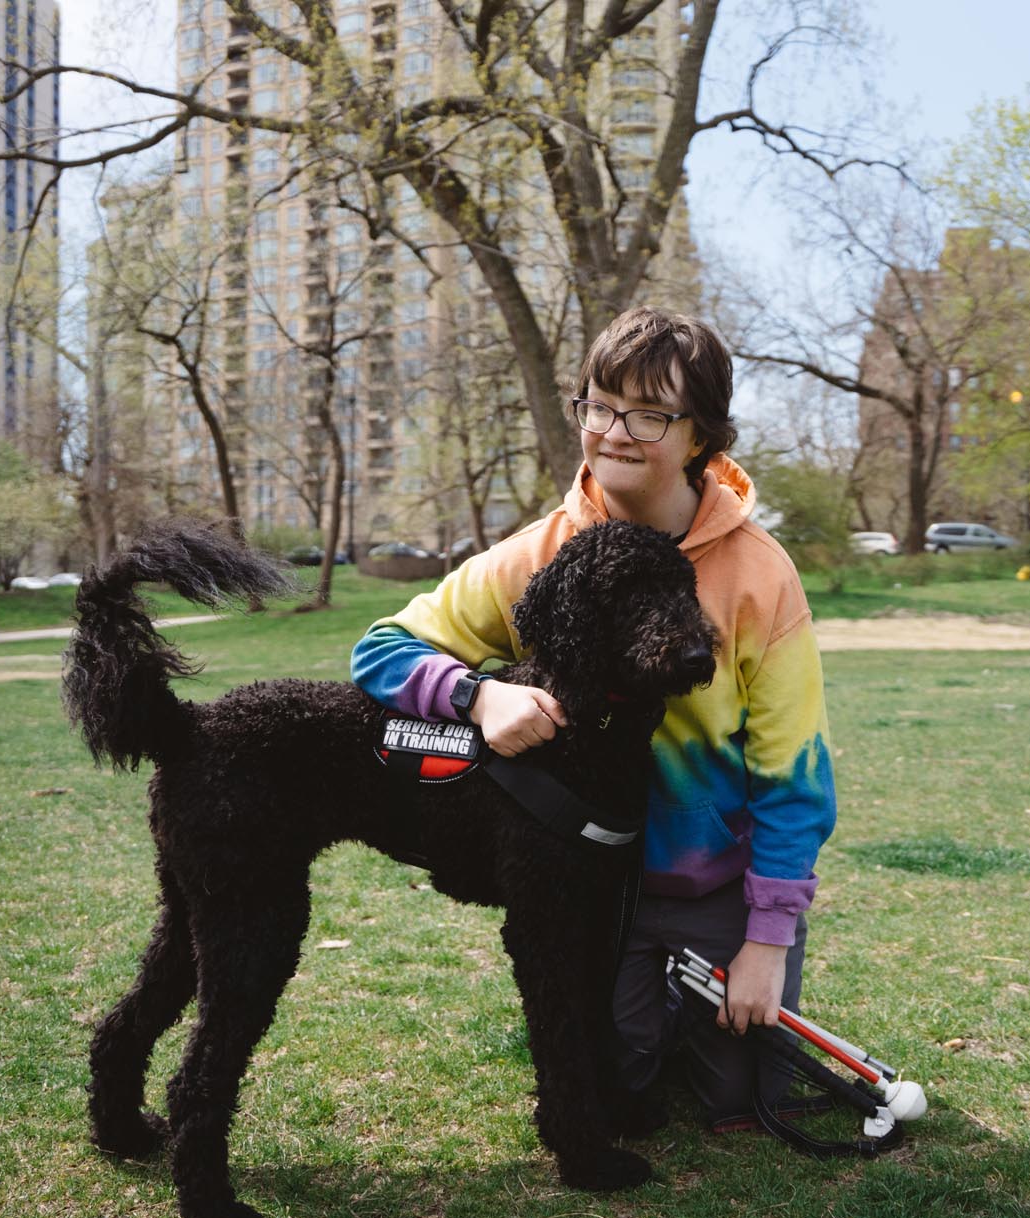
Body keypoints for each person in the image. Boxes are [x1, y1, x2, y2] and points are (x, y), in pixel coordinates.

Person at [350, 306, 836, 1135]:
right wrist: (478, 696)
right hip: (594, 881)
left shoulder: (761, 574)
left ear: (701, 435)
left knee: (741, 1096)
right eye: (601, 405)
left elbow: (794, 774)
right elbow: (380, 649)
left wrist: (768, 939)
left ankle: (696, 992)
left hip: (713, 883)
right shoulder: (541, 553)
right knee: (615, 1075)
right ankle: (649, 1004)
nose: (614, 432)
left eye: (649, 414)